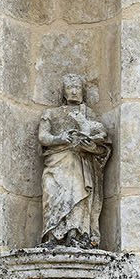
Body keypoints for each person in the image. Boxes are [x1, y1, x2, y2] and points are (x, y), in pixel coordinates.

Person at [37, 74, 112, 248]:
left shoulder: (88, 115)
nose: (73, 91)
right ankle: (52, 235)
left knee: (78, 193)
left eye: (77, 87)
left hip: (80, 162)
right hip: (56, 161)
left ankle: (76, 232)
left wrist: (89, 142)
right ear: (63, 92)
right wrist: (62, 138)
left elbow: (101, 138)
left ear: (82, 92)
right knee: (51, 192)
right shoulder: (51, 113)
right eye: (69, 87)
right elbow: (43, 137)